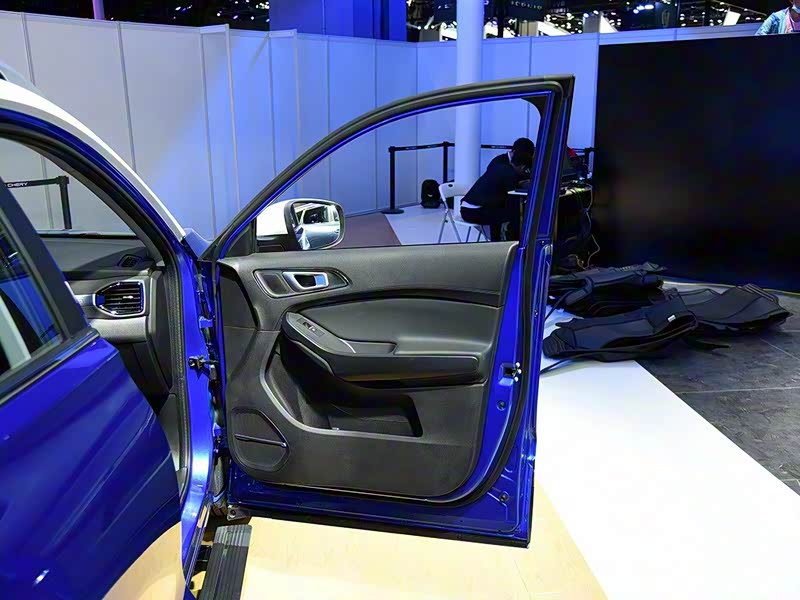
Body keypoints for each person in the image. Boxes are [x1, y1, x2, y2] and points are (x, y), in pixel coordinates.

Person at [460, 137, 534, 242]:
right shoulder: (504, 168)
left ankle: (500, 241)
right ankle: (506, 242)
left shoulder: (504, 167)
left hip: (472, 207)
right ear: (522, 167)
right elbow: (512, 192)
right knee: (513, 213)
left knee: (509, 209)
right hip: (474, 211)